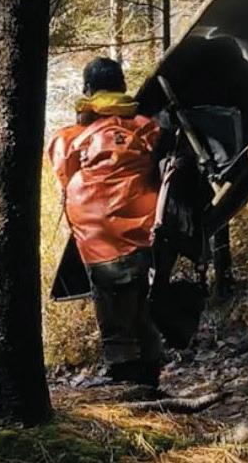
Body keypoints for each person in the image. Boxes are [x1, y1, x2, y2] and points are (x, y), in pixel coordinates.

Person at [48, 57, 167, 388]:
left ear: (87, 90)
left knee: (114, 314)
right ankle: (149, 379)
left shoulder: (69, 138)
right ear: (123, 87)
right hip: (145, 235)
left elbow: (64, 176)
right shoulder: (147, 128)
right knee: (141, 308)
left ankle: (124, 382)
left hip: (99, 240)